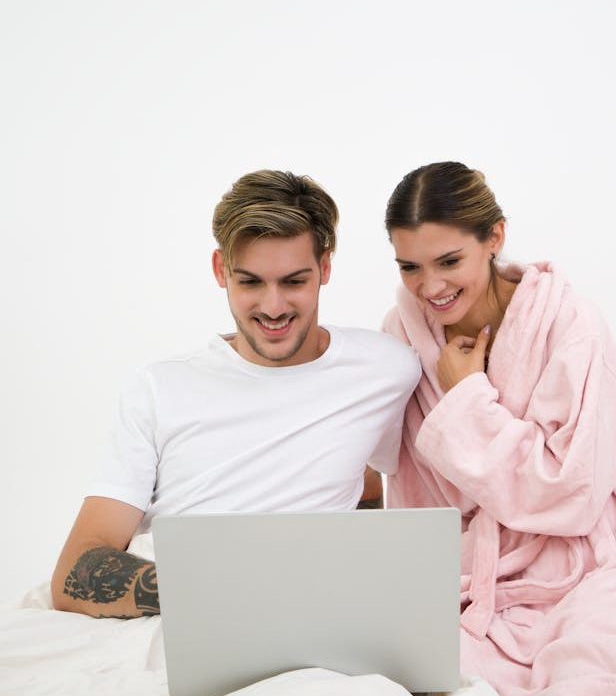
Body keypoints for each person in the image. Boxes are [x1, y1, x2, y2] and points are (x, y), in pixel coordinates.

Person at [381, 161, 616, 695]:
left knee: (610, 669)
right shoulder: (402, 337)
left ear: (494, 238)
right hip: (476, 574)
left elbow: (569, 492)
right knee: (419, 673)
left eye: (449, 260)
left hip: (594, 554)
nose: (429, 286)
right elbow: (415, 496)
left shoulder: (573, 326)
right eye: (409, 266)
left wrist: (467, 399)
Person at [50, 169, 421, 619]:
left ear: (325, 267)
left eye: (293, 281)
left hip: (313, 616)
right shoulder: (158, 388)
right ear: (220, 270)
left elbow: (366, 479)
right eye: (249, 282)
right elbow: (78, 567)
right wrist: (222, 591)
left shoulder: (388, 367)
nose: (273, 307)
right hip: (177, 617)